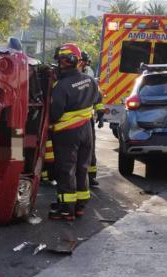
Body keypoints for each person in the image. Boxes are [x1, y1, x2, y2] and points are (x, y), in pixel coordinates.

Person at [49, 43, 102, 221]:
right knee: (82, 168)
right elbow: (95, 100)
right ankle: (79, 206)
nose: (60, 64)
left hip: (66, 133)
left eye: (61, 61)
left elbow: (54, 113)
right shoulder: (90, 81)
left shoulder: (61, 86)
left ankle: (66, 209)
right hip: (86, 130)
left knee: (66, 170)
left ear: (66, 61)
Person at [79, 51, 104, 186]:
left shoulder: (88, 75)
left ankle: (91, 176)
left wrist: (100, 113)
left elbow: (98, 97)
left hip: (86, 119)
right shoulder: (68, 76)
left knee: (89, 149)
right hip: (78, 121)